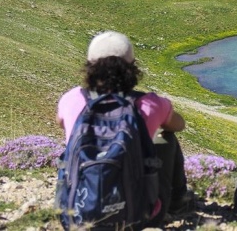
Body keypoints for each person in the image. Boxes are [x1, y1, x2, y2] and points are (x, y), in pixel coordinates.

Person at [56, 31, 194, 226]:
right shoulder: (149, 104)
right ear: (131, 67)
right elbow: (179, 125)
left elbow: (60, 122)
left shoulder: (72, 99)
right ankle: (177, 201)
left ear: (90, 67)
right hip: (139, 218)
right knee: (166, 137)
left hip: (77, 216)